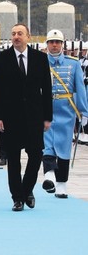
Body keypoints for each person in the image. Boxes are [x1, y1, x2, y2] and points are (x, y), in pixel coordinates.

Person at [0, 23, 52, 212]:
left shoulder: (40, 59)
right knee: (14, 159)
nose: (16, 37)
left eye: (20, 34)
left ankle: (27, 189)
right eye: (14, 33)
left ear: (28, 37)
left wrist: (47, 117)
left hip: (34, 116)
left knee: (36, 156)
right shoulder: (1, 59)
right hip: (10, 117)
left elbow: (47, 89)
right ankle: (17, 198)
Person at [41, 29, 88, 198]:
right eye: (51, 42)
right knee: (47, 145)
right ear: (47, 44)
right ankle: (49, 176)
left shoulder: (73, 63)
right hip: (45, 110)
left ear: (62, 44)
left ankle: (61, 183)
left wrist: (84, 111)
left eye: (57, 42)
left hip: (66, 111)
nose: (54, 45)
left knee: (64, 148)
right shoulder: (40, 62)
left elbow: (80, 89)